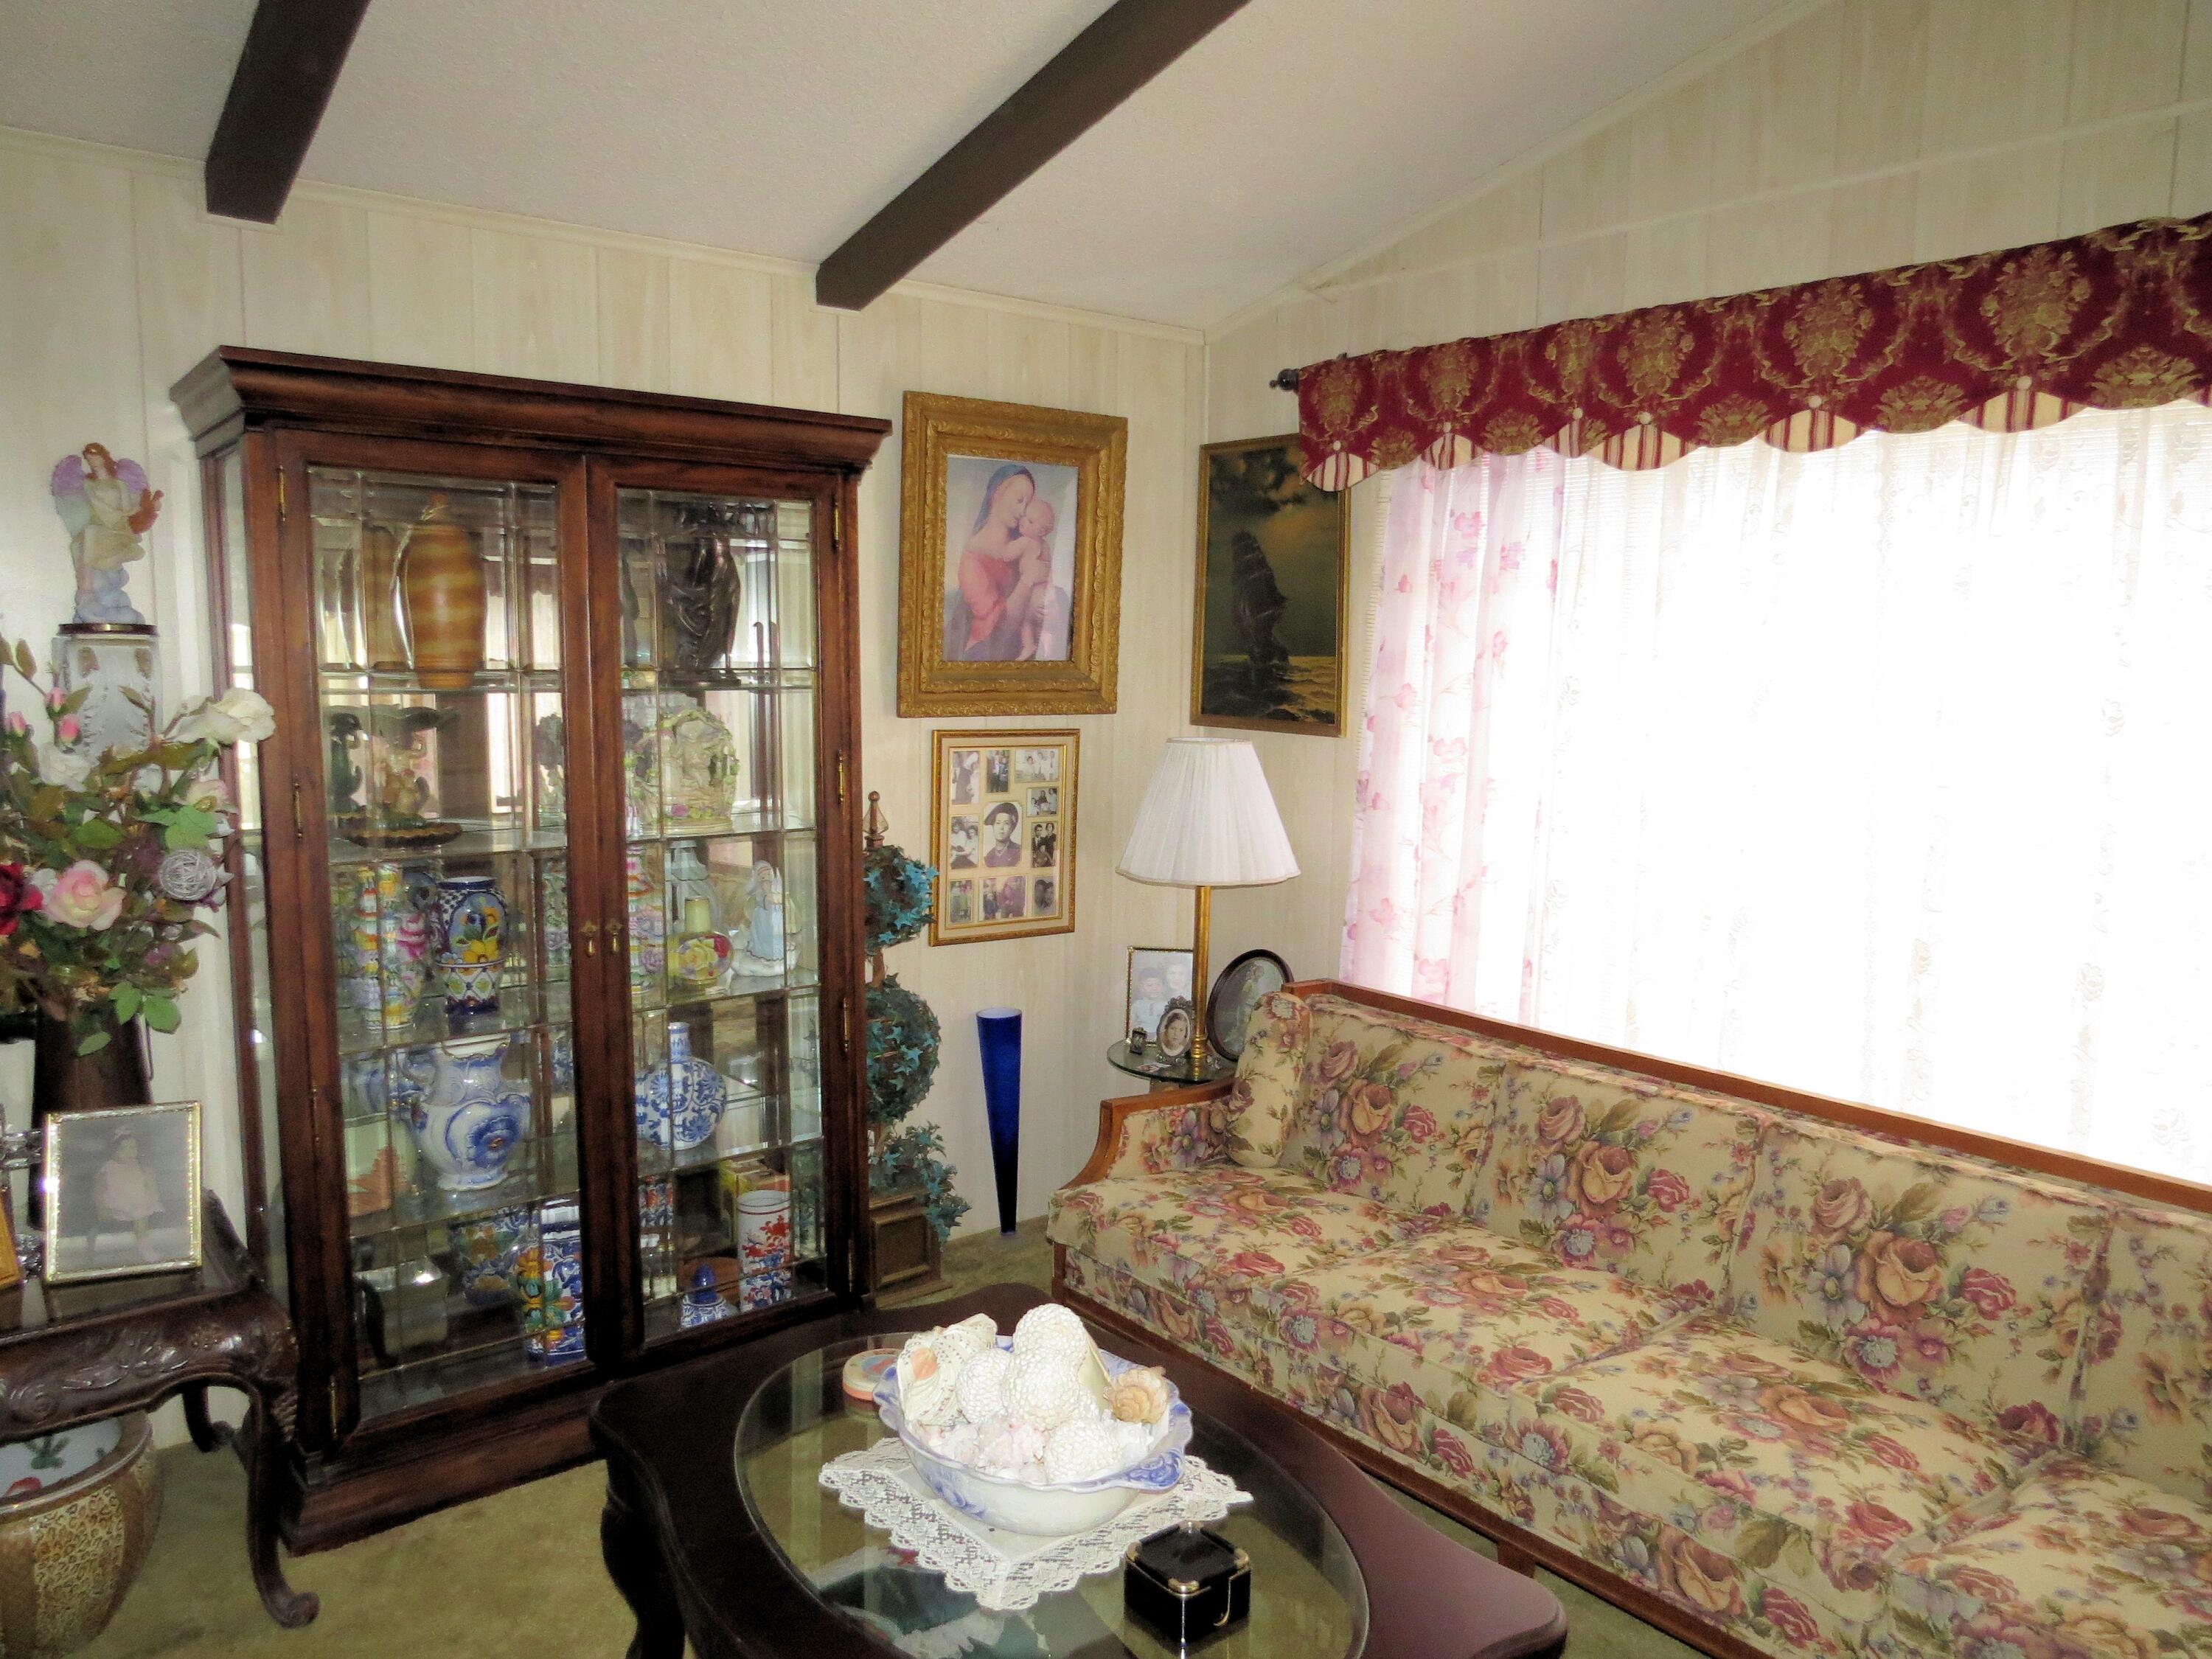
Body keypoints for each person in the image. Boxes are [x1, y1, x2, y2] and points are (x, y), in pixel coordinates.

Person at [945, 465, 1051, 662]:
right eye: (1019, 500)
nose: (1023, 510)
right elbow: (999, 626)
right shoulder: (973, 558)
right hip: (983, 652)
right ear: (997, 494)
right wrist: (1028, 579)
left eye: (1028, 504)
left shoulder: (1023, 544)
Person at [94, 1130, 164, 1262]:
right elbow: (99, 1190)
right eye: (123, 1148)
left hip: (137, 1201)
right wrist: (101, 1208)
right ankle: (144, 1247)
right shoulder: (108, 1169)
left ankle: (143, 1244)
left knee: (141, 1210)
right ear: (114, 1151)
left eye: (133, 1148)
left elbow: (149, 1185)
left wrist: (154, 1197)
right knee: (140, 1212)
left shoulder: (140, 1166)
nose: (129, 1152)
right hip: (117, 1204)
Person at [981, 801, 1022, 867]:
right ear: (993, 826)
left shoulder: (1019, 852)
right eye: (998, 823)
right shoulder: (989, 856)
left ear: (1012, 828)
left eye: (1006, 823)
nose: (1001, 828)